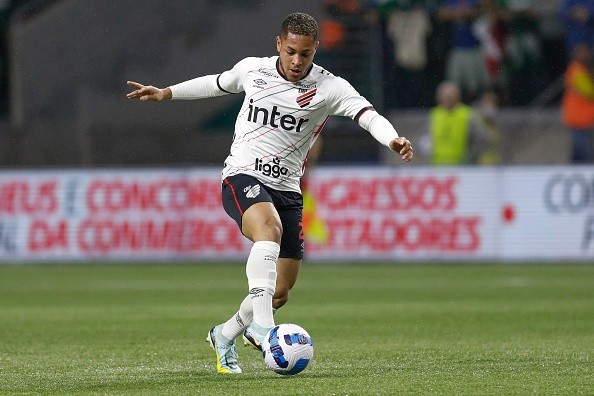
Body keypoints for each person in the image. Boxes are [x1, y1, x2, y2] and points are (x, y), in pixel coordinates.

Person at [126, 12, 413, 374]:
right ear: (279, 44)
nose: (297, 61)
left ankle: (225, 334)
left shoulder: (329, 87)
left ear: (315, 50)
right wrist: (167, 92)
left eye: (305, 54)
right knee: (268, 230)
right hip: (241, 174)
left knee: (279, 291)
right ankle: (264, 329)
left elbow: (367, 115)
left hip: (288, 190)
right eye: (291, 51)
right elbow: (217, 83)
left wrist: (392, 138)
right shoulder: (253, 70)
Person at [423, 80, 487, 165]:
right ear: (439, 98)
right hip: (437, 166)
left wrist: (472, 158)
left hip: (462, 167)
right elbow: (424, 140)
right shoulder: (434, 114)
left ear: (457, 97)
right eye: (445, 97)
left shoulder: (467, 114)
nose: (448, 100)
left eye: (450, 97)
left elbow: (482, 139)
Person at [561, 43, 594, 163]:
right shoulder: (577, 70)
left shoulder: (581, 70)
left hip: (583, 119)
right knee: (582, 154)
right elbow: (589, 91)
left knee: (581, 153)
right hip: (579, 119)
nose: (587, 55)